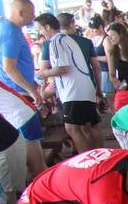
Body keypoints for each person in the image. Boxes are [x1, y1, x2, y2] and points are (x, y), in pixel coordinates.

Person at [35, 12, 100, 155]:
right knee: (86, 128)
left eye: (40, 29)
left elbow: (63, 68)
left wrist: (43, 73)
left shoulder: (56, 42)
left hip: (74, 92)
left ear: (47, 27)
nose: (39, 33)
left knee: (72, 128)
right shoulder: (67, 39)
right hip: (83, 89)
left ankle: (88, 161)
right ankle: (97, 158)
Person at [0, 0, 46, 175]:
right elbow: (9, 67)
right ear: (20, 13)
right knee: (37, 161)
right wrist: (32, 91)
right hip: (19, 99)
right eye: (31, 13)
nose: (34, 17)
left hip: (18, 95)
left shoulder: (8, 28)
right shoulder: (10, 32)